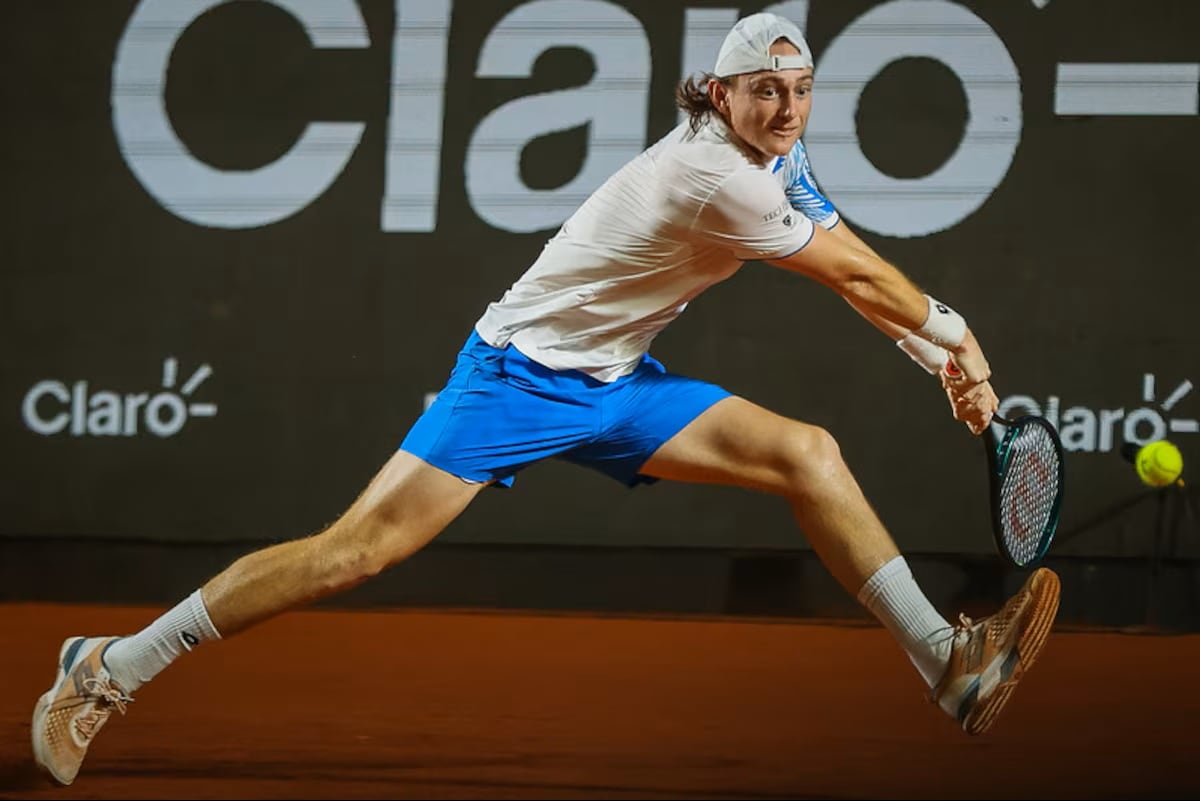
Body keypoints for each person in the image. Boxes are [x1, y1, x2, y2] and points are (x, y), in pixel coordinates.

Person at [31, 12, 1060, 786]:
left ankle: (946, 665)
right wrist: (961, 342)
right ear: (719, 93)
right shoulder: (721, 179)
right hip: (518, 379)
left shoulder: (783, 158)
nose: (785, 110)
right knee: (351, 554)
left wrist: (939, 369)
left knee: (808, 454)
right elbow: (865, 279)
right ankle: (108, 665)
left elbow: (856, 277)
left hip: (619, 385)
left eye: (798, 91)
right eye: (763, 93)